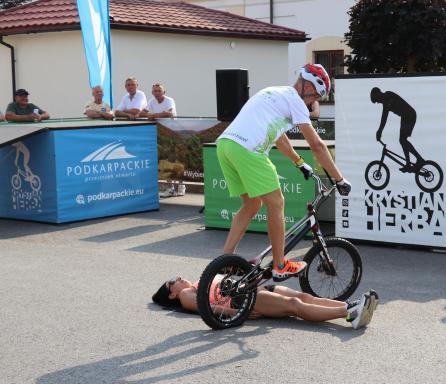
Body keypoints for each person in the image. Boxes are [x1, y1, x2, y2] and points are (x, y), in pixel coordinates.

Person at [216, 64, 351, 282]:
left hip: (225, 146)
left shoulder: (275, 93)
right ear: (308, 86)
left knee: (252, 204)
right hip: (248, 149)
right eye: (314, 97)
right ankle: (280, 265)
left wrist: (299, 162)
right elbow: (317, 145)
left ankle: (224, 261)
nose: (311, 103)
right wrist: (339, 178)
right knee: (277, 202)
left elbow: (279, 137)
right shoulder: (296, 100)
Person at [152, 276, 379, 329]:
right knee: (294, 305)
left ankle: (352, 305)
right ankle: (348, 312)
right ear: (172, 295)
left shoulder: (195, 283)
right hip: (242, 299)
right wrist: (236, 313)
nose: (178, 278)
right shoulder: (185, 295)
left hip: (251, 288)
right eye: (173, 282)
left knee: (303, 297)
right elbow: (207, 308)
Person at [371, 87, 424, 172]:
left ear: (378, 94)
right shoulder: (385, 103)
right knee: (402, 140)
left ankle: (419, 159)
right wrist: (379, 131)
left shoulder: (388, 95)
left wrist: (380, 131)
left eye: (376, 100)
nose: (378, 102)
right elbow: (384, 118)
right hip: (405, 116)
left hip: (409, 115)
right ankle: (408, 164)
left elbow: (384, 118)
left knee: (402, 140)